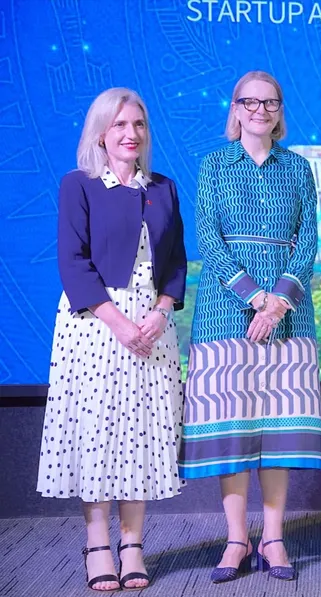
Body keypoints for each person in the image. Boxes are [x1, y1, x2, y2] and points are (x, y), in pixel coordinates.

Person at [37, 88, 187, 591]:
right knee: (98, 434)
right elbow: (72, 261)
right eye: (120, 124)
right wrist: (118, 322)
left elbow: (176, 262)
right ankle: (98, 543)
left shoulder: (163, 188)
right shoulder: (78, 185)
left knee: (139, 434)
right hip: (95, 325)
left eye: (138, 124)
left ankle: (133, 544)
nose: (131, 133)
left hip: (152, 326)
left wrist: (161, 312)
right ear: (101, 133)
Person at [179, 70, 321, 583]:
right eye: (250, 102)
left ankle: (274, 537)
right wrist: (256, 297)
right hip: (225, 313)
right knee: (234, 430)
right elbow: (209, 238)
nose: (260, 110)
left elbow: (309, 240)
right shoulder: (214, 165)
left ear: (280, 110)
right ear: (236, 109)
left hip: (289, 317)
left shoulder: (299, 167)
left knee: (278, 430)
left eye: (270, 102)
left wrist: (278, 302)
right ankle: (237, 539)